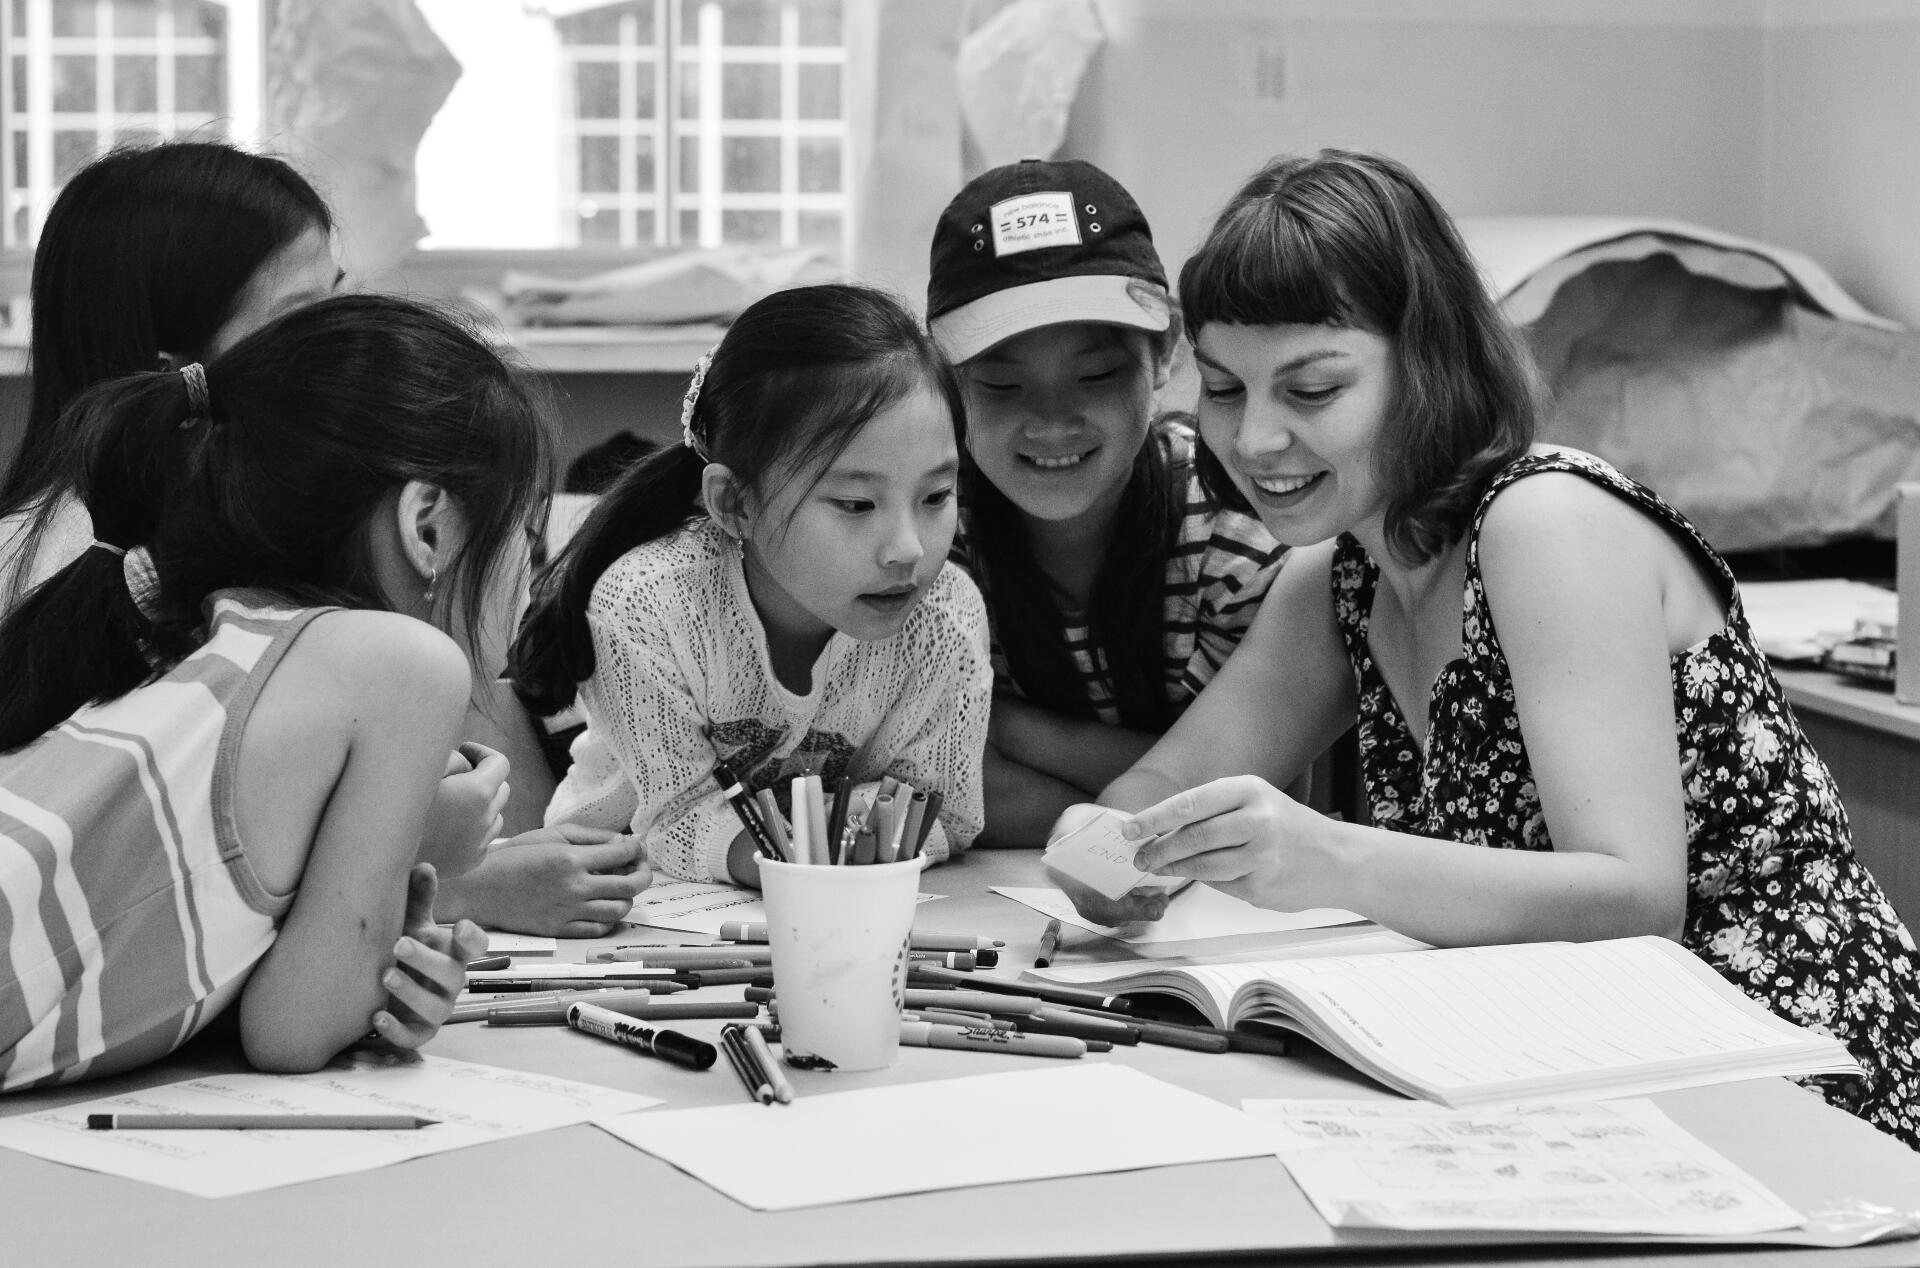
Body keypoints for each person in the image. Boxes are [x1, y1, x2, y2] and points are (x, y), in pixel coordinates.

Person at [1053, 149, 1920, 1150]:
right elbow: (1165, 782)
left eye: (1313, 390)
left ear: (1427, 366)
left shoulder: (1543, 522)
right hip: (1582, 1054)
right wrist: (1103, 838)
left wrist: (1328, 856)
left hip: (1794, 1061)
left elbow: (1637, 898)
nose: (1254, 439)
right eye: (1222, 388)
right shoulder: (1339, 575)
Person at [0, 293, 563, 1089]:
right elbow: (294, 1034)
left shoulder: (201, 626)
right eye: (523, 534)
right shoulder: (401, 664)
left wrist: (383, 964)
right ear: (427, 525)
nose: (531, 575)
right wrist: (414, 848)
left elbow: (225, 987)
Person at [512, 283, 992, 886]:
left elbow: (945, 809)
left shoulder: (947, 616)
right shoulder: (648, 602)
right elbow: (675, 818)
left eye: (936, 496)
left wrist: (826, 861)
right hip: (626, 893)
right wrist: (814, 858)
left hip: (842, 898)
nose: (909, 549)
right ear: (735, 503)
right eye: (856, 504)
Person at [926, 158, 1286, 846]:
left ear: (1166, 351)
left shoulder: (1236, 535)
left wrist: (1012, 729)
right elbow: (935, 783)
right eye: (1001, 385)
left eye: (1095, 374)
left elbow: (1251, 791)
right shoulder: (932, 532)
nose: (1051, 423)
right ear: (942, 379)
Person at [0, 140, 342, 609]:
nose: (345, 335)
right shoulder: (68, 570)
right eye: (301, 317)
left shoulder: (296, 512)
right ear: (169, 371)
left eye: (338, 302)